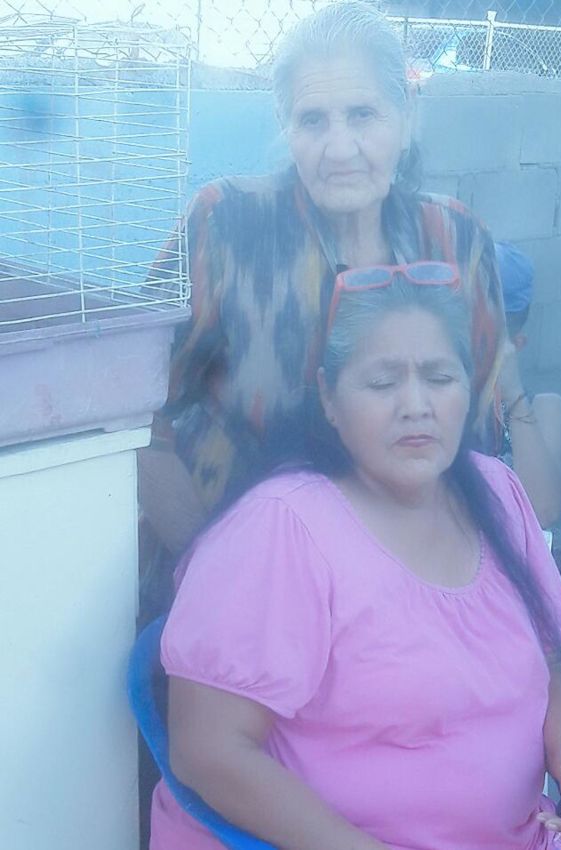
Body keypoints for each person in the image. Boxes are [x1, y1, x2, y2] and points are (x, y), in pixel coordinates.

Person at [151, 267, 561, 850]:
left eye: (440, 377)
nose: (416, 405)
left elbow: (555, 655)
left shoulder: (497, 493)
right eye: (382, 383)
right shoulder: (281, 530)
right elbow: (208, 750)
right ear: (329, 398)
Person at [137, 1, 506, 612]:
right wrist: (213, 575)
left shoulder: (456, 240)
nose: (339, 149)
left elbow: (475, 440)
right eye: (313, 120)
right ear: (286, 125)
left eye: (363, 114)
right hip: (231, 575)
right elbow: (137, 420)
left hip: (401, 589)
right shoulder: (227, 227)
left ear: (406, 116)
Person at [494, 241, 561, 530]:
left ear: (515, 345)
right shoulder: (431, 403)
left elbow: (543, 511)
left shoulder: (544, 408)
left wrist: (513, 396)